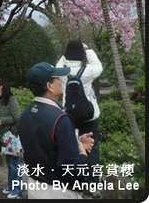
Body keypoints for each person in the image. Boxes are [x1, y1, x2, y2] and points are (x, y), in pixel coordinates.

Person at [18, 62, 94, 199]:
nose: (61, 80)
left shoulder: (26, 114)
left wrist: (74, 141)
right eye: (57, 78)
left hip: (34, 187)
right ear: (49, 86)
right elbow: (73, 170)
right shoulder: (60, 119)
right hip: (58, 192)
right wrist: (82, 152)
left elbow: (45, 145)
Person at [56, 40, 103, 191]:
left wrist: (65, 56)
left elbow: (58, 64)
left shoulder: (61, 71)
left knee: (73, 147)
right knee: (92, 149)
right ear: (82, 54)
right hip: (90, 117)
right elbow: (98, 66)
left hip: (70, 117)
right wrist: (88, 50)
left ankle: (76, 182)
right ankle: (93, 184)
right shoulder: (89, 71)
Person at [0, 77, 23, 199]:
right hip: (5, 136)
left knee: (15, 164)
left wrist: (2, 121)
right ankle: (11, 187)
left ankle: (17, 190)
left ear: (2, 86)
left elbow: (17, 117)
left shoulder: (11, 99)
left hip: (13, 135)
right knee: (10, 163)